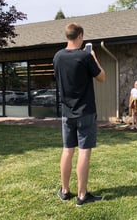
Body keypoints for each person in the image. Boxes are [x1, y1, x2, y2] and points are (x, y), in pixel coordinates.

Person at [53, 23, 105, 207]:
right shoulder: (85, 56)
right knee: (84, 152)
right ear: (80, 35)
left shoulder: (57, 57)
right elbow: (101, 77)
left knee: (68, 150)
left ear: (67, 36)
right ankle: (82, 195)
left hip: (67, 112)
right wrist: (94, 58)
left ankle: (65, 191)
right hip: (85, 112)